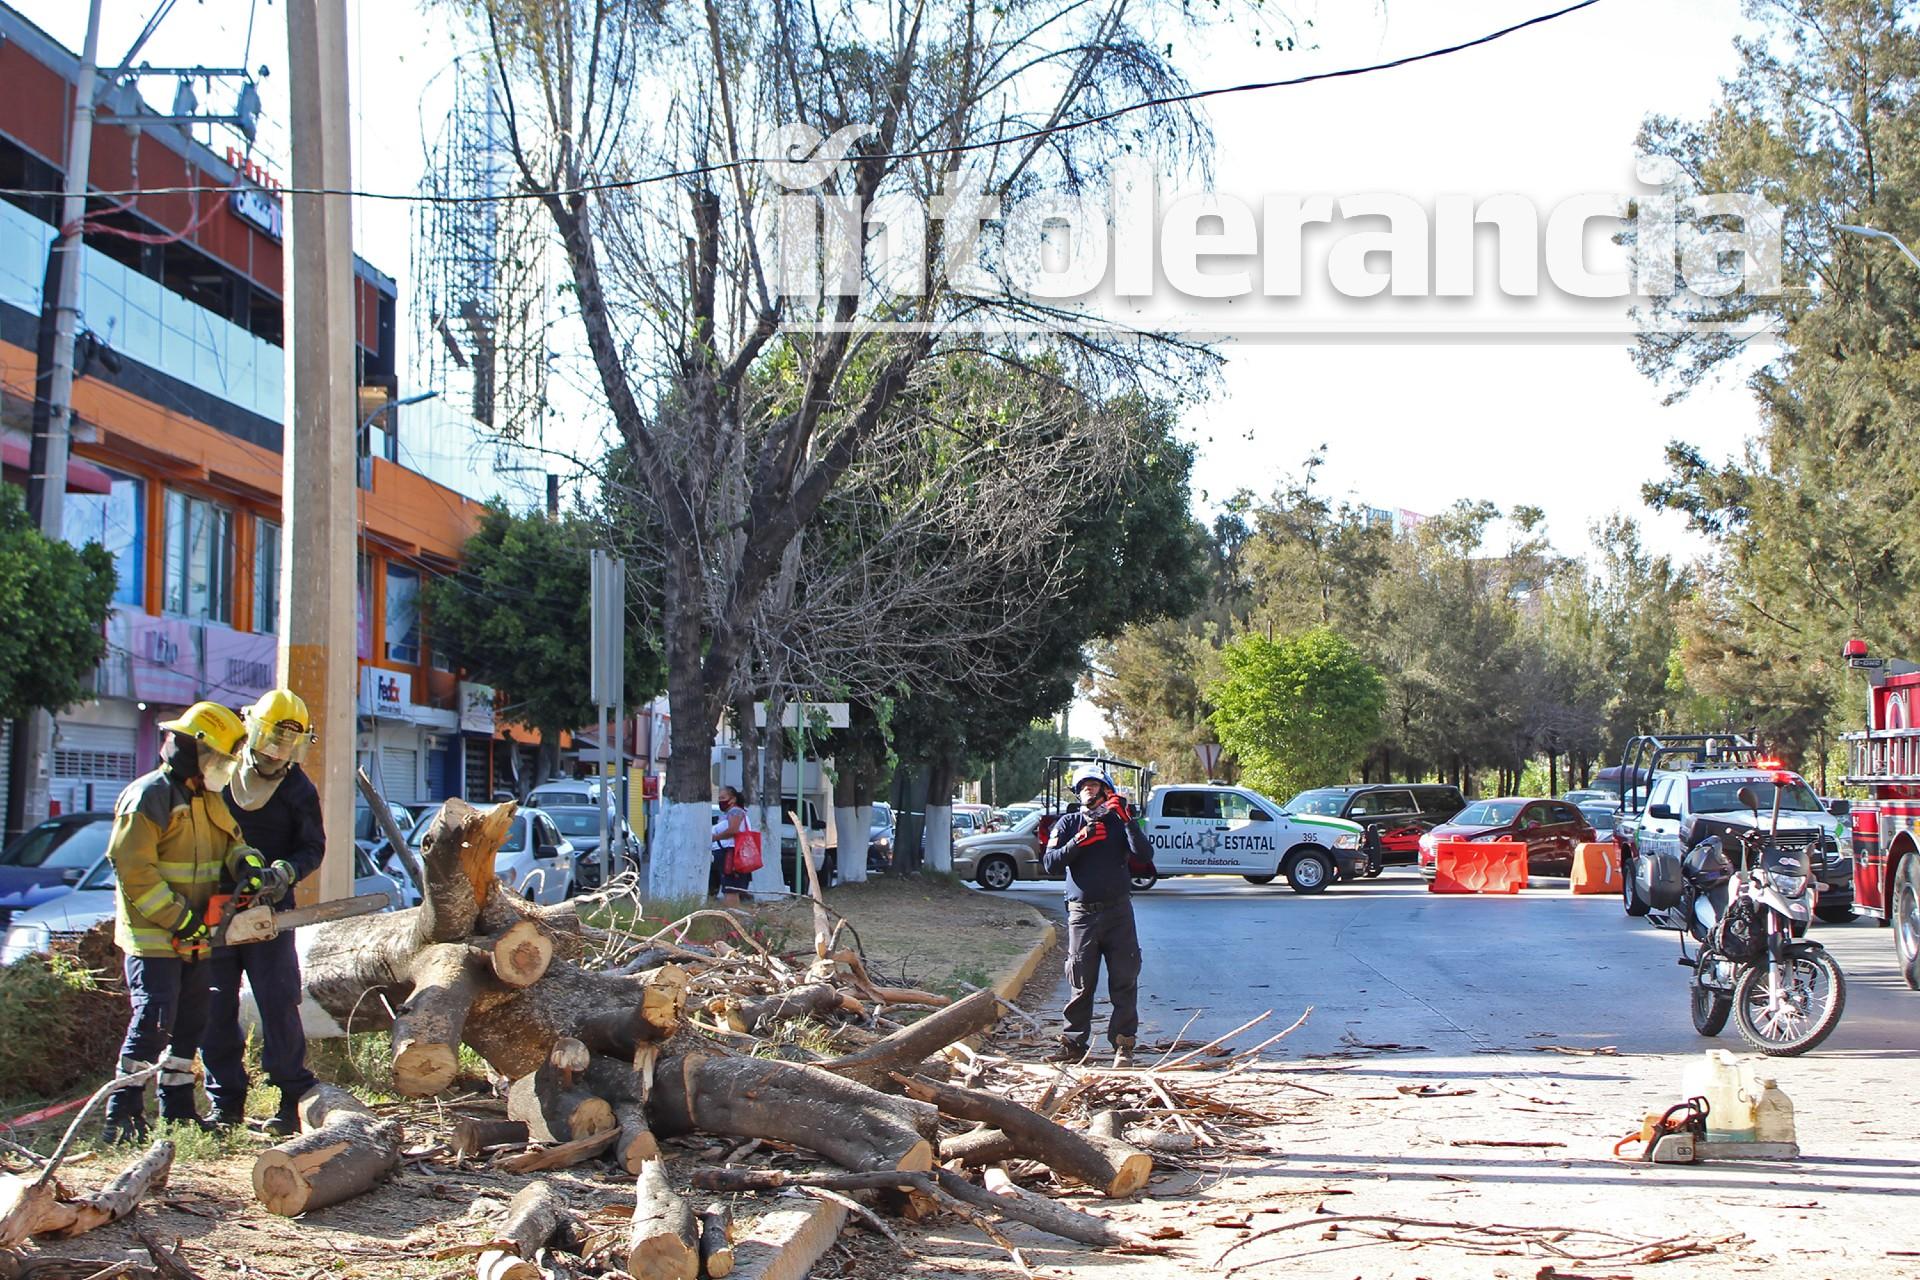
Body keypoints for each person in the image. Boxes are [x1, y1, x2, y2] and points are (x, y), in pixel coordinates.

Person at [101, 702, 266, 1143]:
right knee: (154, 1019)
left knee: (192, 1020)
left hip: (196, 934)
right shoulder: (149, 797)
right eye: (216, 759)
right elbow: (133, 868)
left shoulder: (208, 799)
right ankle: (123, 1112)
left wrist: (248, 863)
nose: (220, 769)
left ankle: (176, 1110)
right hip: (155, 936)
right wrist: (179, 919)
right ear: (192, 751)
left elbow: (233, 843)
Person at [192, 688, 325, 1135]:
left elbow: (313, 847)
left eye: (287, 747)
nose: (275, 756)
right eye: (271, 743)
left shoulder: (298, 789)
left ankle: (291, 1100)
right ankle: (225, 1102)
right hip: (216, 911)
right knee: (215, 1005)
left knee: (279, 1003)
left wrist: (284, 872)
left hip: (269, 913)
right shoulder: (220, 774)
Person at [1040, 766, 1142, 1068]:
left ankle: (1123, 1046)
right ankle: (1073, 1045)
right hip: (1082, 915)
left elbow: (1144, 855)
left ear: (1106, 791)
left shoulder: (1118, 822)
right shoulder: (1068, 823)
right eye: (1084, 785)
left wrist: (1127, 820)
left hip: (1119, 913)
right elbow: (1050, 863)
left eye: (1095, 784)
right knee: (1081, 980)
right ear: (1077, 792)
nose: (1089, 789)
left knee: (1124, 977)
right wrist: (1079, 842)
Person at [710, 785, 755, 904]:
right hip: (725, 854)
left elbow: (733, 830)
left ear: (733, 799)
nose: (720, 801)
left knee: (730, 890)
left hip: (730, 854)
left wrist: (714, 838)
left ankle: (732, 917)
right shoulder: (727, 815)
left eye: (723, 797)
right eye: (719, 798)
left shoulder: (735, 811)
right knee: (727, 889)